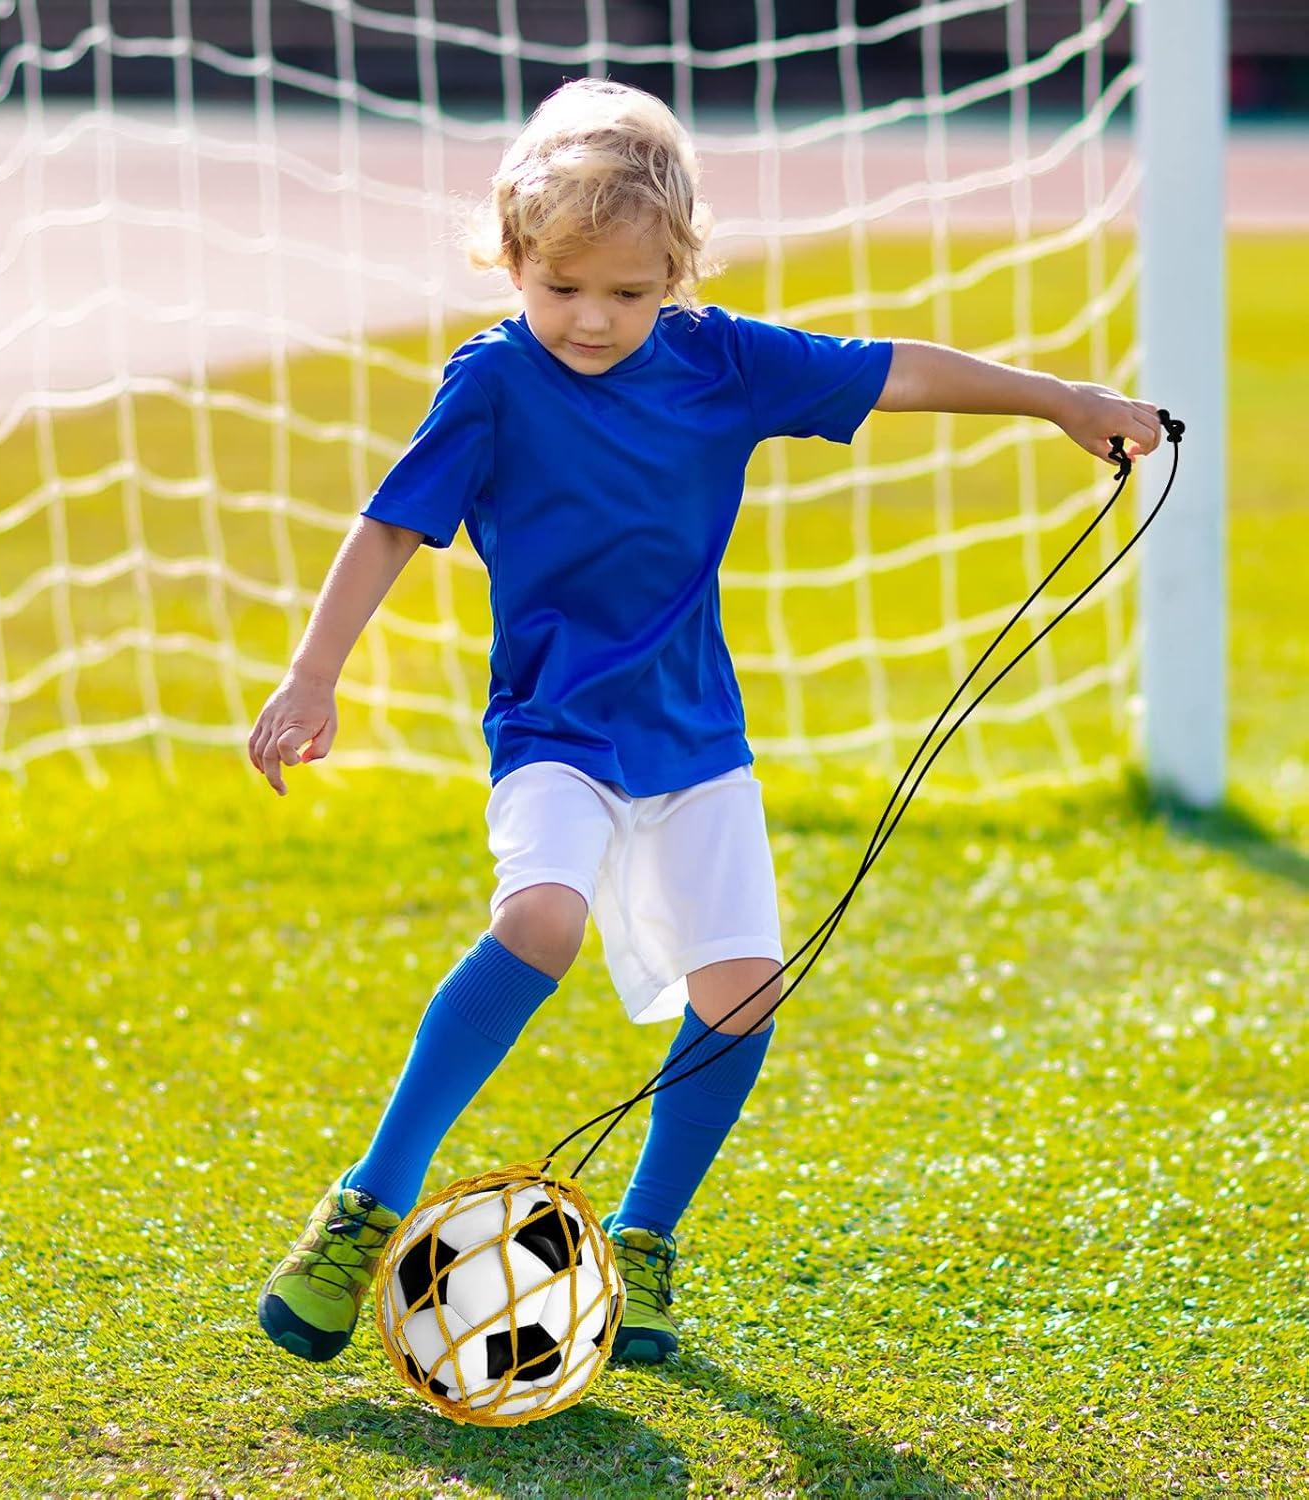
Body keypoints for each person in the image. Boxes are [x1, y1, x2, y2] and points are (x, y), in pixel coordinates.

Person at [251, 77, 1163, 1368]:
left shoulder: (722, 359)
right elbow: (393, 522)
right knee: (542, 918)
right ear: (513, 259)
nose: (592, 319)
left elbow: (897, 372)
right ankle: (365, 1205)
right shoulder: (495, 381)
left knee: (745, 993)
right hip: (555, 729)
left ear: (677, 273)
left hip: (697, 741)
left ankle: (646, 1246)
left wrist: (1061, 397)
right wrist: (313, 677)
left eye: (629, 294)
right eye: (562, 286)